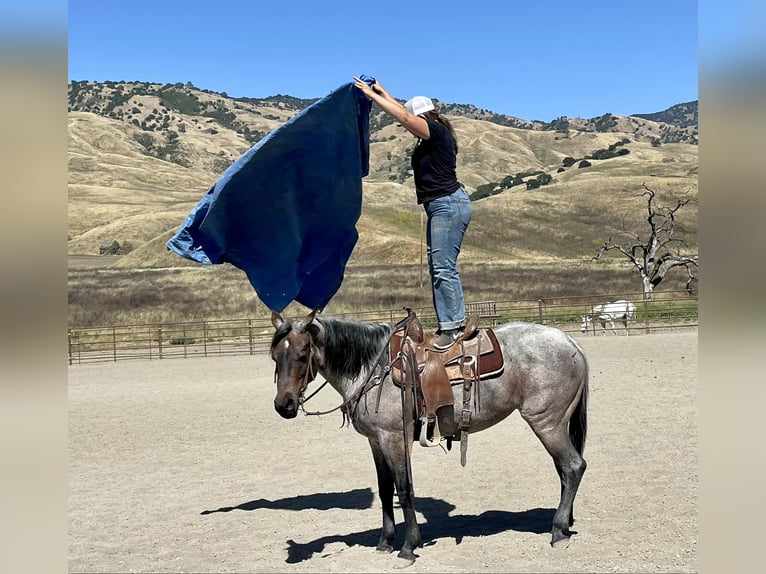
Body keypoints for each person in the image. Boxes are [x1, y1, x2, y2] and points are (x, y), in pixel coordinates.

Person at [353, 76, 471, 350]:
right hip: (441, 205)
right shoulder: (433, 131)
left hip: (447, 204)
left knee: (443, 268)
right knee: (438, 268)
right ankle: (450, 324)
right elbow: (405, 114)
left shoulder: (434, 130)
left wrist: (373, 97)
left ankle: (453, 327)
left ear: (423, 116)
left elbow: (405, 117)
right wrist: (384, 92)